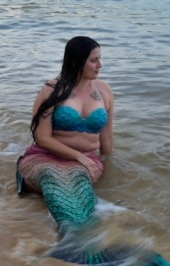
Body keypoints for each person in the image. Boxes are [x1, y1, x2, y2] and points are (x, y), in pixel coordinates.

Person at [16, 36, 114, 196]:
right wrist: (78, 156)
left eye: (100, 59)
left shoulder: (104, 91)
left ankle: (79, 218)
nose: (100, 65)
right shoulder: (51, 90)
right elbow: (42, 138)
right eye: (93, 60)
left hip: (86, 161)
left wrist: (109, 171)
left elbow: (106, 138)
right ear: (76, 62)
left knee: (75, 181)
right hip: (45, 157)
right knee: (51, 175)